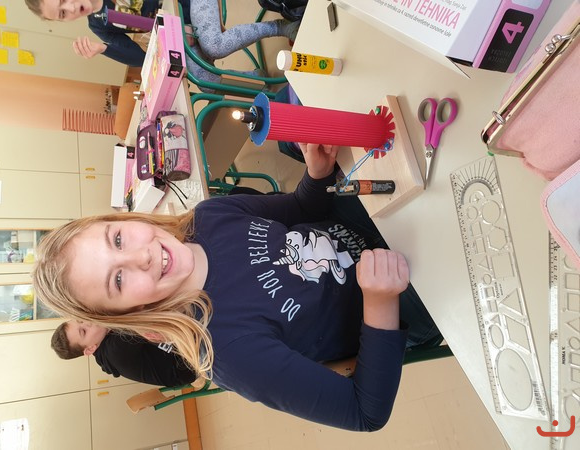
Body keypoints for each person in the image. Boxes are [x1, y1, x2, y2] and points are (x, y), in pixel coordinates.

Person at [33, 142, 441, 432]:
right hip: (402, 302)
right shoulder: (226, 352)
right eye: (118, 280)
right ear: (125, 316)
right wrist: (380, 300)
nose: (140, 257)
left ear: (122, 220)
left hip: (366, 227)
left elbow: (301, 209)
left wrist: (316, 175)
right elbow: (364, 412)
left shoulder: (210, 216)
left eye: (118, 239)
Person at [24, 0, 300, 86]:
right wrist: (105, 49)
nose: (71, 8)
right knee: (204, 80)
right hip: (181, 29)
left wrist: (177, 19)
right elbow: (140, 58)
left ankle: (278, 26)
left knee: (213, 45)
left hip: (188, 4)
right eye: (62, 14)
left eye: (63, 0)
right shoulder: (97, 24)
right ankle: (255, 78)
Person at [52, 319, 197, 387]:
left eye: (81, 320)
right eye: (84, 331)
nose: (88, 322)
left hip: (178, 350)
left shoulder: (106, 339)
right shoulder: (115, 350)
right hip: (188, 363)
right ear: (90, 349)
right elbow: (137, 315)